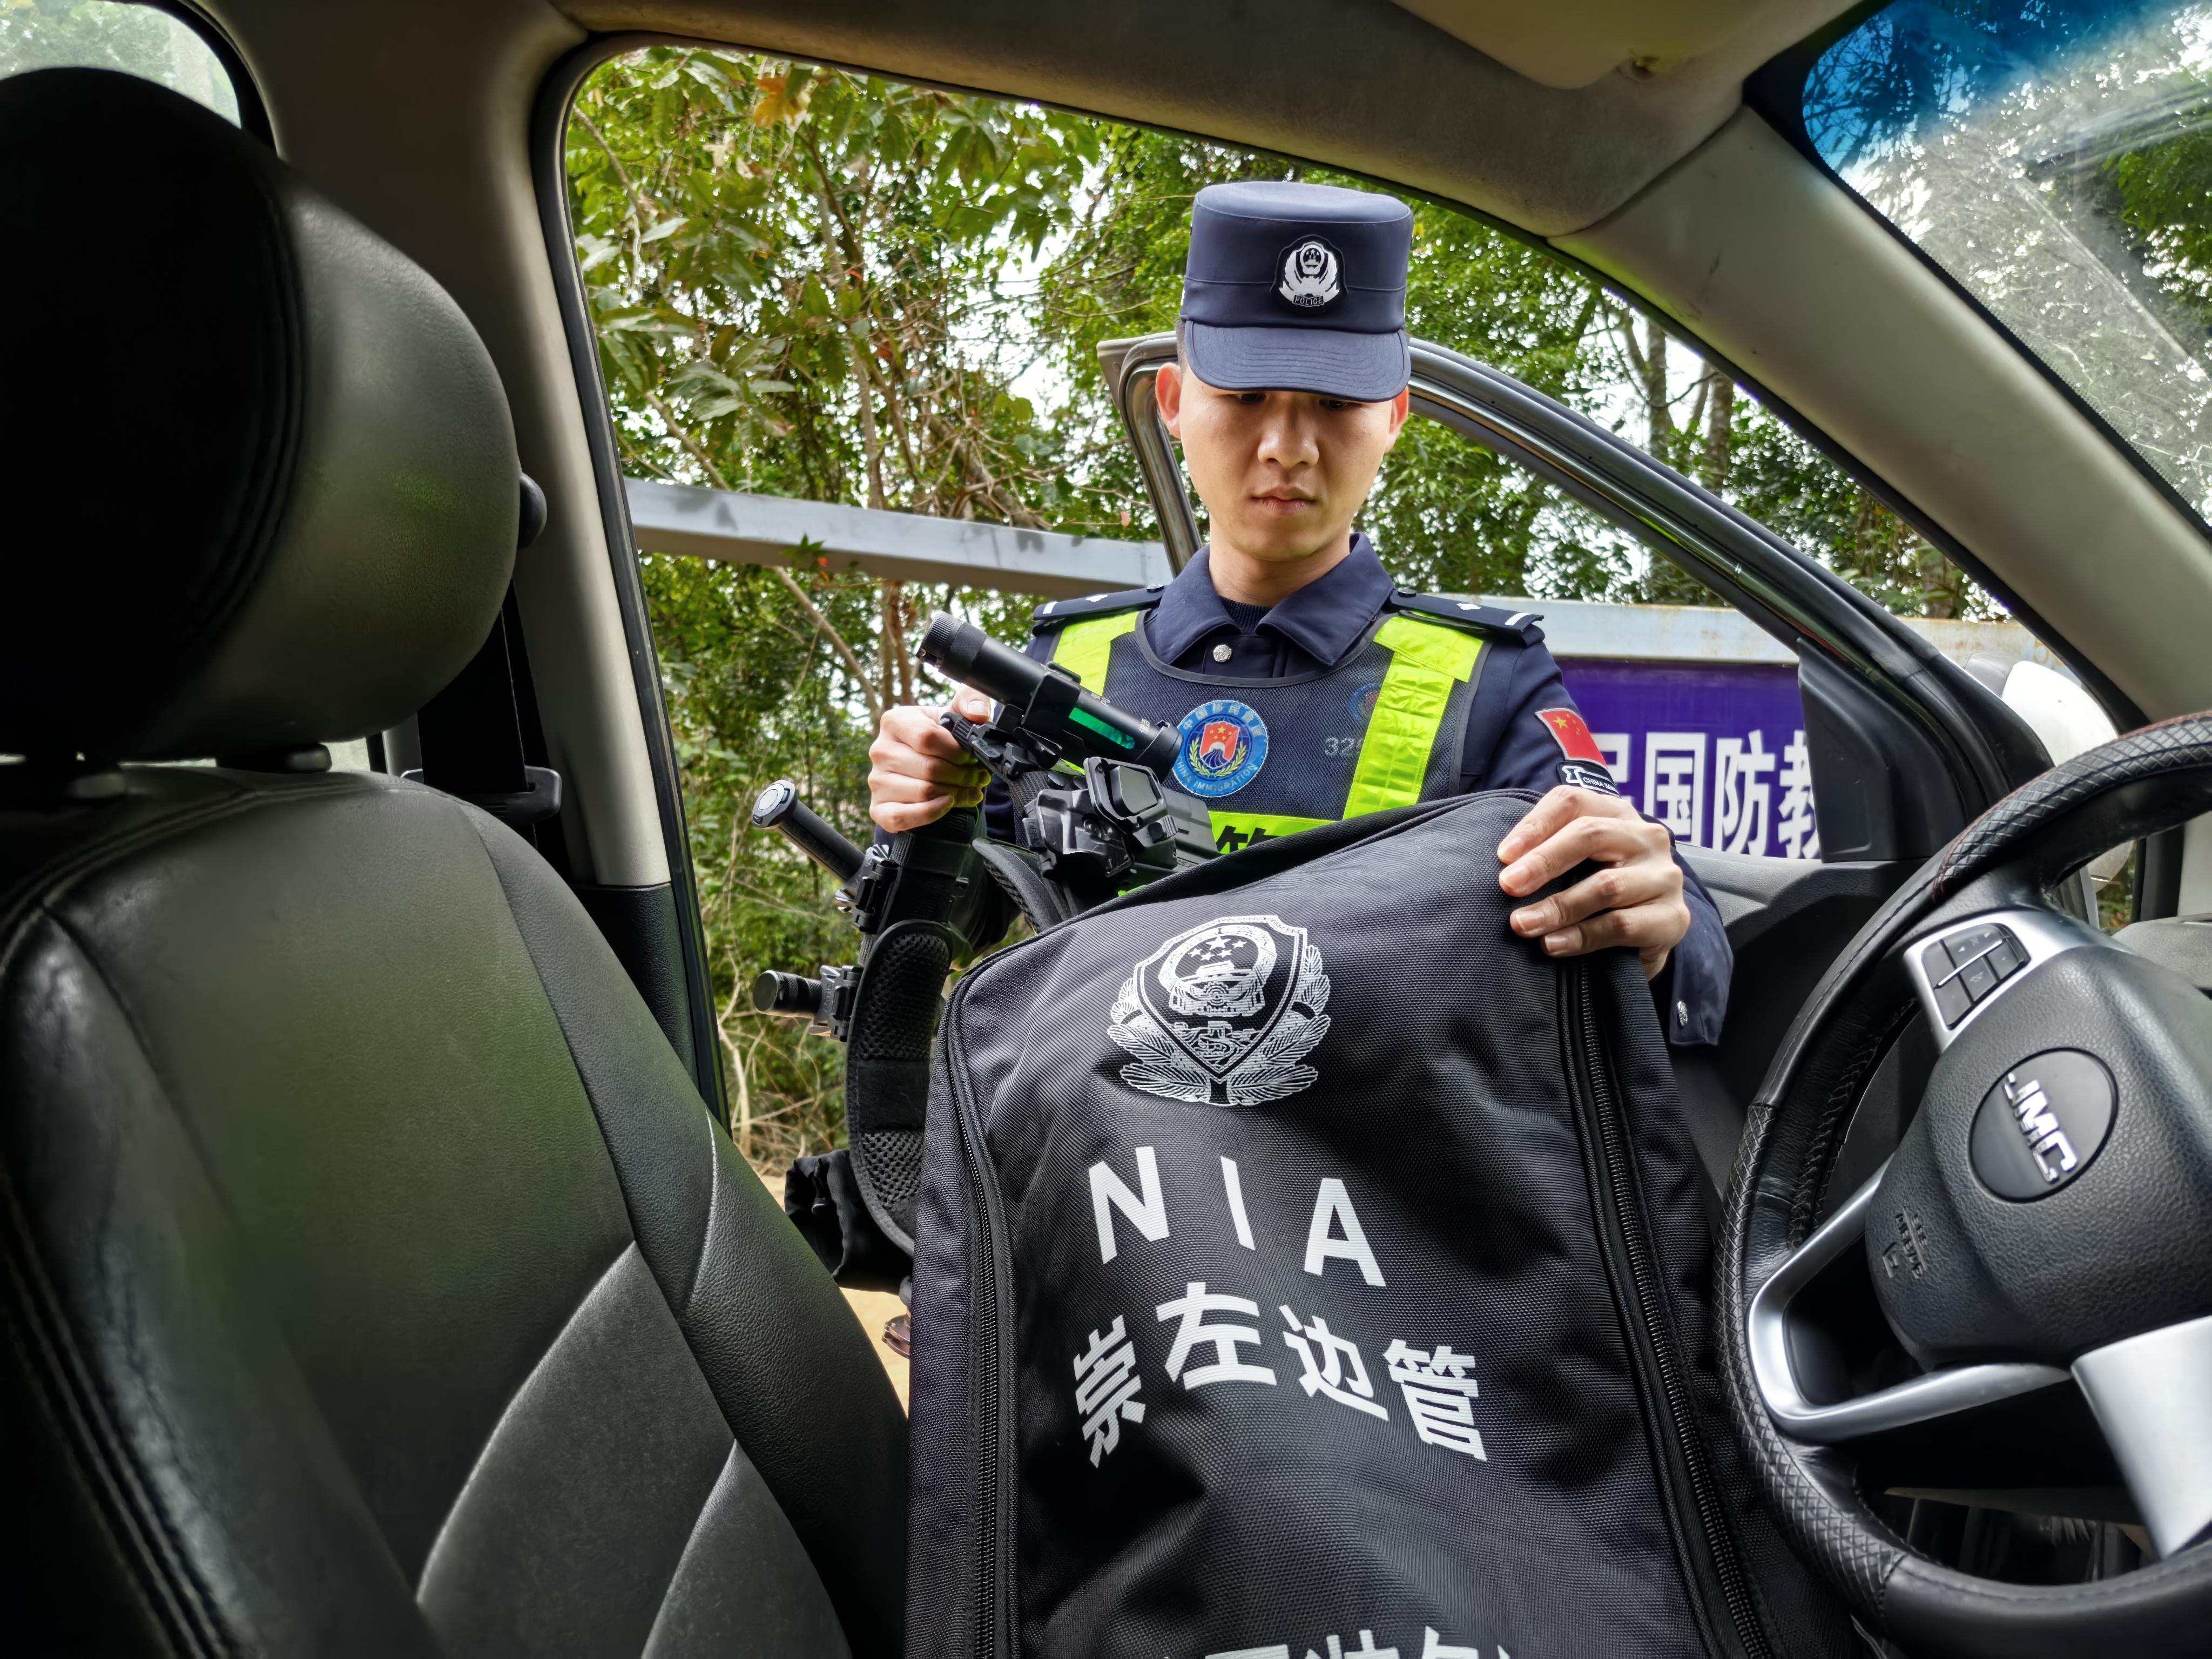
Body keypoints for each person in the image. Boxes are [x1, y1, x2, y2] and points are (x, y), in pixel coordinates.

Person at [867, 179, 1730, 1043]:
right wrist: (928, 813)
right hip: (1087, 1130)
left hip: (1369, 1130)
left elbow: (1682, 960)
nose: (1287, 447)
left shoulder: (1485, 683)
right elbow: (954, 937)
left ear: (1394, 417)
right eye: (1247, 398)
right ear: (1174, 403)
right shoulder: (1064, 665)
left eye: (1336, 403)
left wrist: (1655, 928)